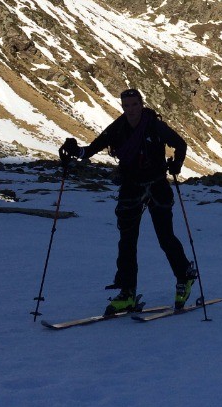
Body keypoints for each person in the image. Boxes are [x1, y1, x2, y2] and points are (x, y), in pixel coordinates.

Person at [59, 88, 196, 315]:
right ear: (123, 107)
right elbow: (91, 149)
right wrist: (75, 151)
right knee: (127, 241)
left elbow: (180, 144)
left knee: (164, 237)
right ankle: (127, 292)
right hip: (132, 186)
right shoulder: (118, 128)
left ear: (141, 104)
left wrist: (177, 165)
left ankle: (184, 277)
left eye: (134, 105)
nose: (131, 110)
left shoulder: (154, 125)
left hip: (156, 185)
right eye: (127, 106)